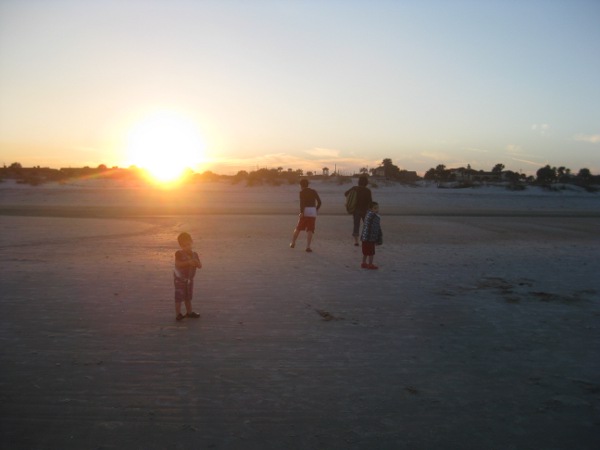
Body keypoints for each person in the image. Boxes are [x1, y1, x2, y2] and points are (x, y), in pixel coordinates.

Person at [173, 232, 202, 321]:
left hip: (189, 279)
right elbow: (177, 264)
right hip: (179, 280)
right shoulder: (179, 253)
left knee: (188, 296)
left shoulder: (195, 254)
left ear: (191, 242)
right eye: (184, 246)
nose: (187, 247)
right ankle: (178, 314)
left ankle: (189, 312)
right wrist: (188, 262)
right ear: (181, 246)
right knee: (179, 297)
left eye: (188, 244)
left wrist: (196, 263)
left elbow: (200, 266)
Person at [290, 178, 322, 252]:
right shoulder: (313, 191)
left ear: (301, 185)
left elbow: (302, 203)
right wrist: (316, 209)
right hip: (313, 210)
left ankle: (293, 242)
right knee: (310, 229)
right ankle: (308, 246)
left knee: (298, 228)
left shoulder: (302, 192)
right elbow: (319, 202)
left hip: (305, 210)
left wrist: (301, 212)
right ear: (308, 184)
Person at [345, 175, 373, 246]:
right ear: (366, 182)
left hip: (356, 210)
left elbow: (345, 194)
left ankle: (356, 241)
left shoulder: (355, 188)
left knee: (356, 225)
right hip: (365, 210)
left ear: (359, 182)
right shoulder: (367, 191)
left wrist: (352, 197)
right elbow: (370, 202)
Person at [360, 201, 383, 270]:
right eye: (375, 208)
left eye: (377, 208)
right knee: (371, 252)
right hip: (370, 238)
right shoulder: (374, 216)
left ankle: (363, 263)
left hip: (364, 237)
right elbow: (376, 228)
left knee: (365, 252)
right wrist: (378, 238)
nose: (377, 210)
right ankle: (370, 264)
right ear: (371, 209)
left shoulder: (367, 215)